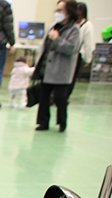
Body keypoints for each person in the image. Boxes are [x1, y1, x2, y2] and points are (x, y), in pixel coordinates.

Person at [34, 0, 81, 132]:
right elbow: (44, 47)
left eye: (61, 10)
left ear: (69, 12)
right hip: (46, 69)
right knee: (43, 97)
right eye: (57, 10)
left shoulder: (74, 30)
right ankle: (43, 122)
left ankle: (62, 122)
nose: (57, 13)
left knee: (60, 98)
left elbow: (71, 48)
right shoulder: (52, 26)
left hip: (61, 71)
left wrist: (57, 39)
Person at [69, 2, 94, 95]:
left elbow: (89, 44)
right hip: (67, 53)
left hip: (78, 55)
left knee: (71, 79)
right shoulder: (71, 23)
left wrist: (88, 59)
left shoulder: (87, 25)